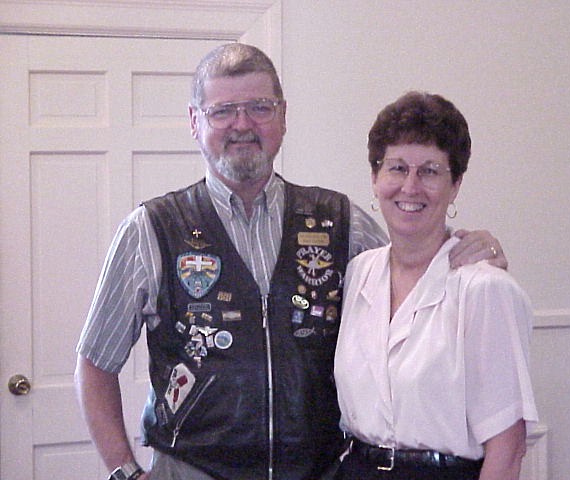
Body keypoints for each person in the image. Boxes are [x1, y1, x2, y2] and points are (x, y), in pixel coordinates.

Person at [74, 43, 507, 480]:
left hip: (320, 471)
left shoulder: (340, 222)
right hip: (191, 470)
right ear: (194, 122)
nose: (243, 124)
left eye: (259, 107)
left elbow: (413, 271)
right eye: (222, 111)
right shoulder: (151, 229)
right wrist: (125, 473)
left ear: (283, 117)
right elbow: (95, 363)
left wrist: (471, 249)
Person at [333, 91, 538, 480]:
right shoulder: (359, 272)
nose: (410, 187)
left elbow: (507, 449)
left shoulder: (485, 290)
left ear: (455, 184)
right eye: (397, 168)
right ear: (375, 178)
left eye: (429, 171)